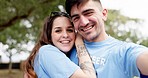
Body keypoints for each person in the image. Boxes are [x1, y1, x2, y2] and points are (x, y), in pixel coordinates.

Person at [65, 0, 148, 78]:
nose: (84, 22)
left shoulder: (124, 51)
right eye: (76, 18)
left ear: (104, 14)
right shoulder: (66, 46)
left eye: (88, 13)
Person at [24, 11, 96, 78]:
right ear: (49, 36)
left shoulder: (71, 54)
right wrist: (79, 41)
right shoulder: (47, 51)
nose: (65, 35)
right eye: (58, 31)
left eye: (70, 30)